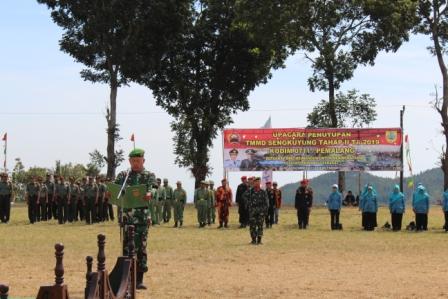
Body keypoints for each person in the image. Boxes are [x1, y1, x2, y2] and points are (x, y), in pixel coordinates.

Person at [115, 148, 155, 290]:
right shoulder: (123, 175)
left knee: (141, 248)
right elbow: (116, 190)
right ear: (129, 161)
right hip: (127, 218)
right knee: (127, 248)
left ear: (143, 161)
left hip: (142, 218)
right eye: (133, 161)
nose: (136, 164)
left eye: (138, 161)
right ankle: (126, 280)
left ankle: (139, 280)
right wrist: (110, 193)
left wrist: (150, 193)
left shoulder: (148, 175)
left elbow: (153, 188)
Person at [244, 177, 268, 245]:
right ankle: (253, 240)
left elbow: (266, 202)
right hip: (252, 212)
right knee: (252, 226)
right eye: (255, 182)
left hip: (261, 212)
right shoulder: (250, 191)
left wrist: (265, 211)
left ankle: (259, 240)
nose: (257, 183)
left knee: (260, 226)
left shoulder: (263, 192)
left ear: (260, 183)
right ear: (253, 183)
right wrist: (248, 204)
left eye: (258, 181)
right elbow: (244, 196)